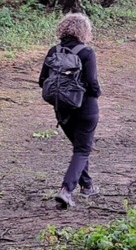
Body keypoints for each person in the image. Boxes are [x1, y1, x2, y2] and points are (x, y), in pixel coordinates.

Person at [38, 12, 101, 209]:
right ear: (84, 32)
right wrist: (98, 93)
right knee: (82, 149)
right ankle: (66, 190)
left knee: (80, 148)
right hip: (85, 109)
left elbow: (42, 81)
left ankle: (87, 186)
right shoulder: (86, 53)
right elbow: (92, 83)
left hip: (62, 109)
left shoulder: (53, 51)